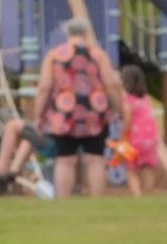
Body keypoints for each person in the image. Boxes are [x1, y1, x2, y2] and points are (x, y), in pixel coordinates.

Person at [33, 14, 125, 199]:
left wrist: (39, 114)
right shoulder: (98, 54)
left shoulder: (54, 55)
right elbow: (111, 83)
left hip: (64, 112)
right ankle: (97, 200)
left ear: (67, 33)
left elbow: (44, 87)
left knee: (65, 160)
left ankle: (64, 201)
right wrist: (118, 108)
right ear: (86, 33)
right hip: (95, 112)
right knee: (95, 158)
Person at [113, 63, 167, 198]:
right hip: (150, 138)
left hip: (135, 139)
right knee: (147, 168)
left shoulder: (129, 101)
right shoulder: (145, 99)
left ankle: (137, 196)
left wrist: (122, 136)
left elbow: (127, 120)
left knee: (130, 169)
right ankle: (148, 192)